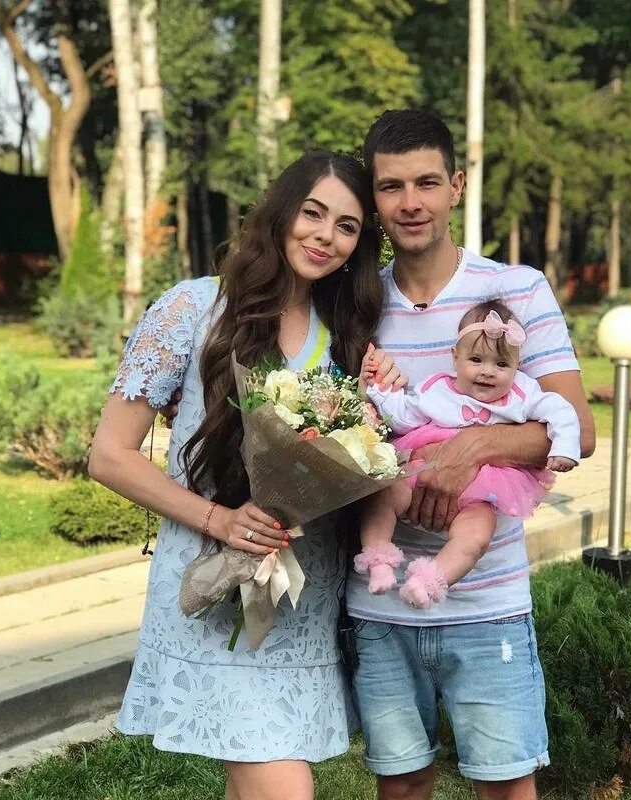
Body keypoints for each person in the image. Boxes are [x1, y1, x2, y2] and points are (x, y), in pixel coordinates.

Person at [88, 150, 403, 800]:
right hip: (213, 585)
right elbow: (109, 455)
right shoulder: (193, 308)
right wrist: (221, 520)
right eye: (313, 213)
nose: (326, 235)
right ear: (281, 212)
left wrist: (383, 399)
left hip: (302, 601)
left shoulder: (348, 337)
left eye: (346, 226)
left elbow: (357, 456)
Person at [346, 110, 596, 800]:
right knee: (402, 786)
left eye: (427, 182)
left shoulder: (517, 291)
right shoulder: (356, 302)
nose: (411, 202)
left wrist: (471, 446)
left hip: (488, 601)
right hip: (380, 605)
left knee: (505, 787)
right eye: (391, 186)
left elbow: (577, 428)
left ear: (456, 185)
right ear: (373, 198)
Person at [354, 299, 580, 609]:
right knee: (383, 495)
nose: (488, 372)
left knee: (477, 535)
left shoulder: (522, 394)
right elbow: (404, 416)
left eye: (501, 365)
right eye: (476, 359)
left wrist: (564, 448)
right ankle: (379, 561)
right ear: (455, 357)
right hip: (424, 466)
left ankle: (428, 582)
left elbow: (560, 410)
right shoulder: (438, 390)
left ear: (517, 366)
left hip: (484, 489)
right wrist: (378, 389)